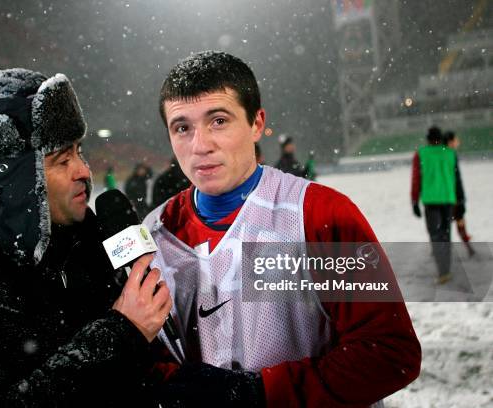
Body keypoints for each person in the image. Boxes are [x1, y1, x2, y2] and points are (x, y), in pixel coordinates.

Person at [145, 51, 421, 407]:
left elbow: (389, 352)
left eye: (218, 121)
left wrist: (261, 393)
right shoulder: (155, 233)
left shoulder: (320, 215)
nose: (200, 146)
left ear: (257, 123)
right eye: (182, 127)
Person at [0, 68, 171, 407]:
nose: (84, 170)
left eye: (79, 152)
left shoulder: (86, 250)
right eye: (62, 159)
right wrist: (120, 333)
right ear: (14, 178)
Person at [411, 126, 462, 283]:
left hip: (431, 201)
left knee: (435, 235)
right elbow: (457, 180)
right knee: (446, 234)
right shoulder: (451, 153)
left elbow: (416, 179)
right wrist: (461, 201)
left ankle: (442, 271)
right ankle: (446, 268)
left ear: (428, 139)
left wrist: (414, 201)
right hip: (447, 200)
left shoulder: (420, 154)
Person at [444, 130, 475, 256]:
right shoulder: (449, 155)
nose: (458, 142)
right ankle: (468, 247)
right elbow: (454, 179)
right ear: (450, 141)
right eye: (456, 140)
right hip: (453, 196)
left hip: (447, 196)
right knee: (458, 221)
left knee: (445, 225)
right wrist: (459, 196)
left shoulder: (446, 154)